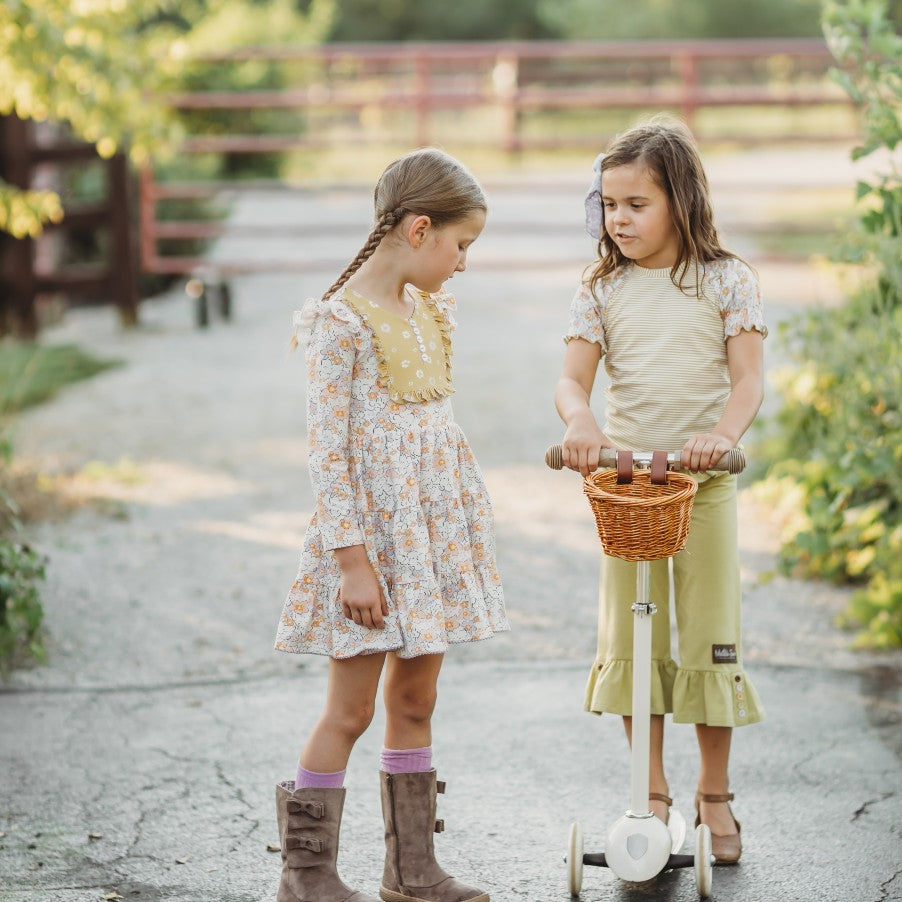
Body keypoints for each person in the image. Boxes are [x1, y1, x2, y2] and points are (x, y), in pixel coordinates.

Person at [273, 147, 508, 902]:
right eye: (460, 245)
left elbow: (431, 438)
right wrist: (351, 562)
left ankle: (412, 871)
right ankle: (305, 874)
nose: (463, 263)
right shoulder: (338, 325)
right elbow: (328, 455)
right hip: (371, 549)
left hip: (427, 546)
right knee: (350, 708)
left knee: (416, 702)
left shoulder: (431, 312)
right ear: (418, 229)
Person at [554, 116, 766, 865]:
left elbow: (747, 380)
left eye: (636, 204)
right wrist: (581, 422)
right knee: (633, 640)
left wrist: (723, 436)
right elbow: (573, 380)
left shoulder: (726, 279)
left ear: (678, 200)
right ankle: (651, 794)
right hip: (628, 488)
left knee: (710, 636)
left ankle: (714, 792)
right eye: (609, 204)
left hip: (700, 485)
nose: (619, 218)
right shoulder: (601, 285)